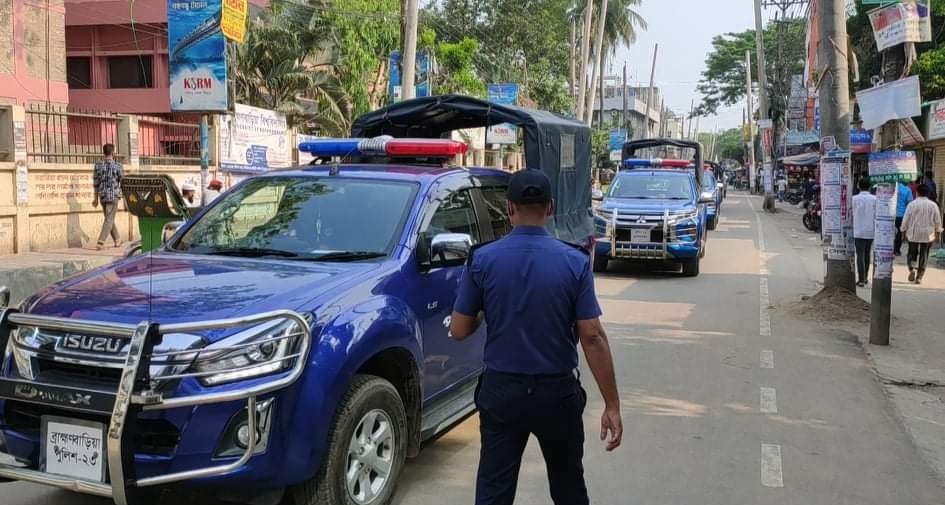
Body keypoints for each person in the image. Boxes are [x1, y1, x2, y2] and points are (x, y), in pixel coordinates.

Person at [450, 170, 622, 505]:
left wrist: (488, 307)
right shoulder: (575, 261)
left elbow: (459, 330)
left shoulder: (483, 260)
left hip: (502, 393)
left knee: (494, 492)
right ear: (550, 207)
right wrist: (612, 405)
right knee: (569, 489)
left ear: (509, 208)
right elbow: (592, 337)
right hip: (557, 395)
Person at [900, 184, 943, 284]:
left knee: (912, 252)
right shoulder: (933, 205)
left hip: (913, 233)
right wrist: (938, 232)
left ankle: (912, 268)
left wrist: (903, 230)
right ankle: (919, 276)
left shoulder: (912, 204)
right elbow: (937, 220)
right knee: (924, 254)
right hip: (928, 234)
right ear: (928, 193)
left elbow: (906, 219)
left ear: (917, 193)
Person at [92, 143, 123, 250]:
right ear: (113, 152)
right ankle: (101, 241)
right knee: (109, 219)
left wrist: (95, 198)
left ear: (103, 152)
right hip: (113, 196)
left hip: (102, 196)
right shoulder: (118, 166)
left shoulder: (98, 165)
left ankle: (117, 239)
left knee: (108, 219)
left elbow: (95, 183)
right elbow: (122, 182)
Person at [852, 178, 877, 287]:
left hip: (858, 230)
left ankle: (861, 279)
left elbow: (851, 213)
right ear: (870, 187)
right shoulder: (875, 199)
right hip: (870, 230)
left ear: (858, 186)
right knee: (867, 253)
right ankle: (865, 277)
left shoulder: (854, 199)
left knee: (860, 254)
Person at [895, 180, 914, 256]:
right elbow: (910, 203)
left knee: (889, 232)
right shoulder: (907, 189)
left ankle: (889, 249)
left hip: (890, 214)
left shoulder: (893, 187)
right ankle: (896, 250)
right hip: (901, 215)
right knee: (899, 233)